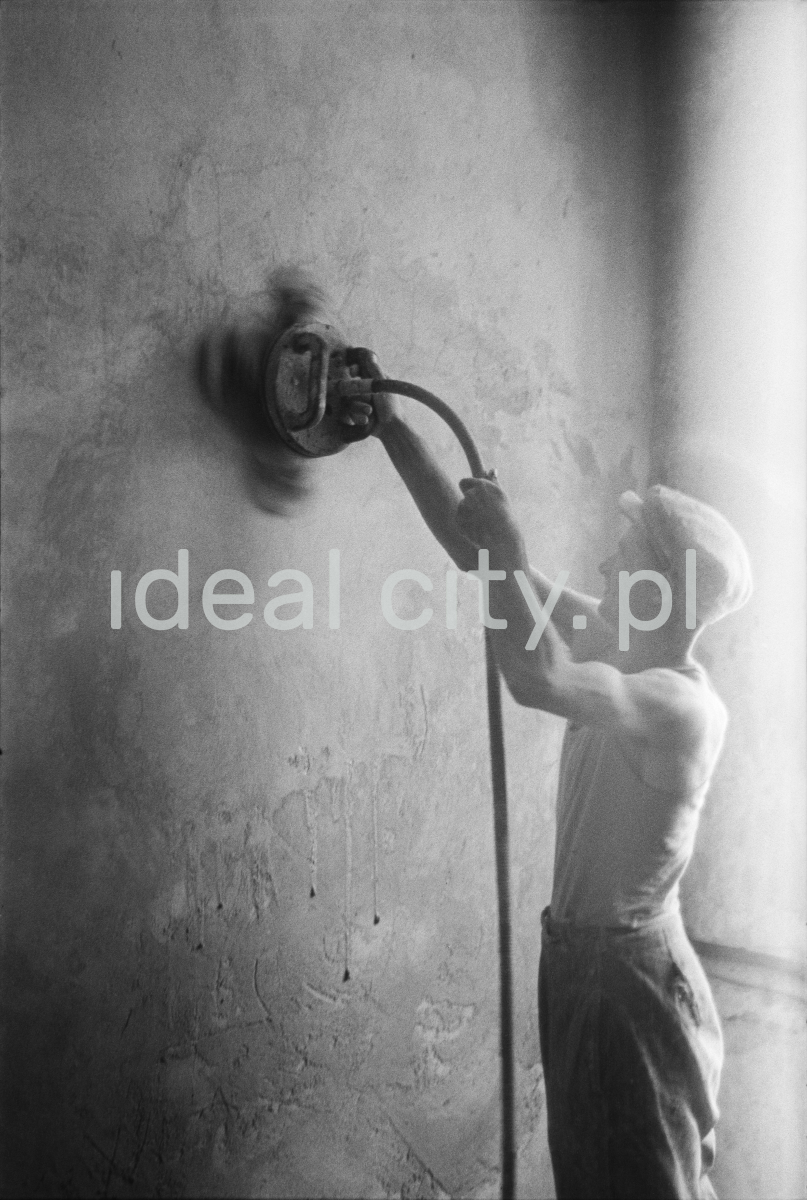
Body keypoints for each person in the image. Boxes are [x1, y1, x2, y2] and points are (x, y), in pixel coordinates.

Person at [343, 372, 753, 1200]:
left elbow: (533, 673)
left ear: (660, 590)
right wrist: (390, 428)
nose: (605, 561)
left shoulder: (677, 704)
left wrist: (509, 554)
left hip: (631, 979)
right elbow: (475, 555)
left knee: (645, 1187)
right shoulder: (621, 638)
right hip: (577, 959)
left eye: (624, 555)